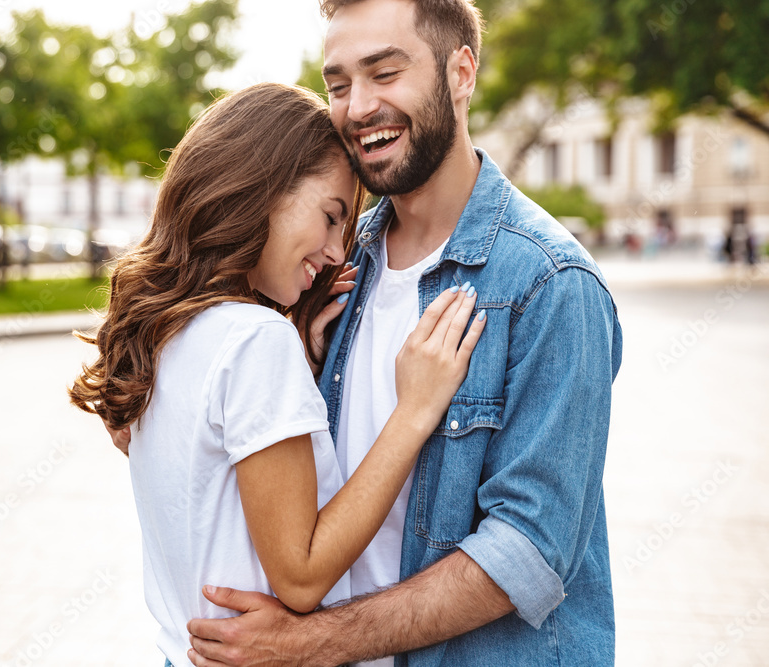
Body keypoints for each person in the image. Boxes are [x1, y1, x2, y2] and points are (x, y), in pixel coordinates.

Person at [185, 1, 624, 665]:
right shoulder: (333, 264)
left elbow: (528, 550)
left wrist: (313, 642)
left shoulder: (549, 282)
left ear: (461, 73)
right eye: (337, 85)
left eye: (385, 73)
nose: (357, 107)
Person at [68, 83, 486, 667]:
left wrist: (302, 367)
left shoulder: (167, 331)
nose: (341, 252)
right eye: (332, 216)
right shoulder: (255, 341)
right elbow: (301, 576)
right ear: (262, 188)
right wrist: (413, 411)